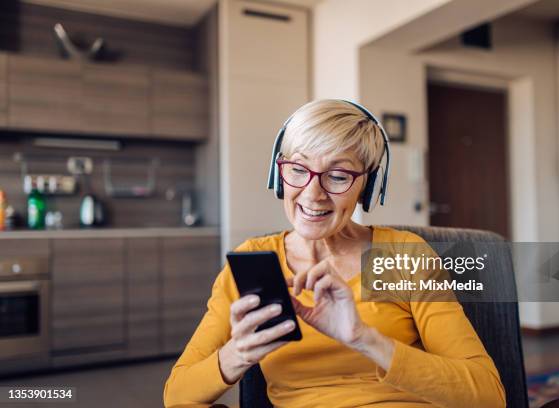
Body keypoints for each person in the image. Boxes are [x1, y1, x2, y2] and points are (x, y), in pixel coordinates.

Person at [163, 100, 506, 407]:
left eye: (338, 176)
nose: (313, 195)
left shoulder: (402, 254)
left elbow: (489, 395)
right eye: (298, 170)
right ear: (279, 175)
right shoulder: (254, 257)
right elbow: (177, 394)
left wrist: (364, 339)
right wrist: (235, 355)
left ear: (367, 187)